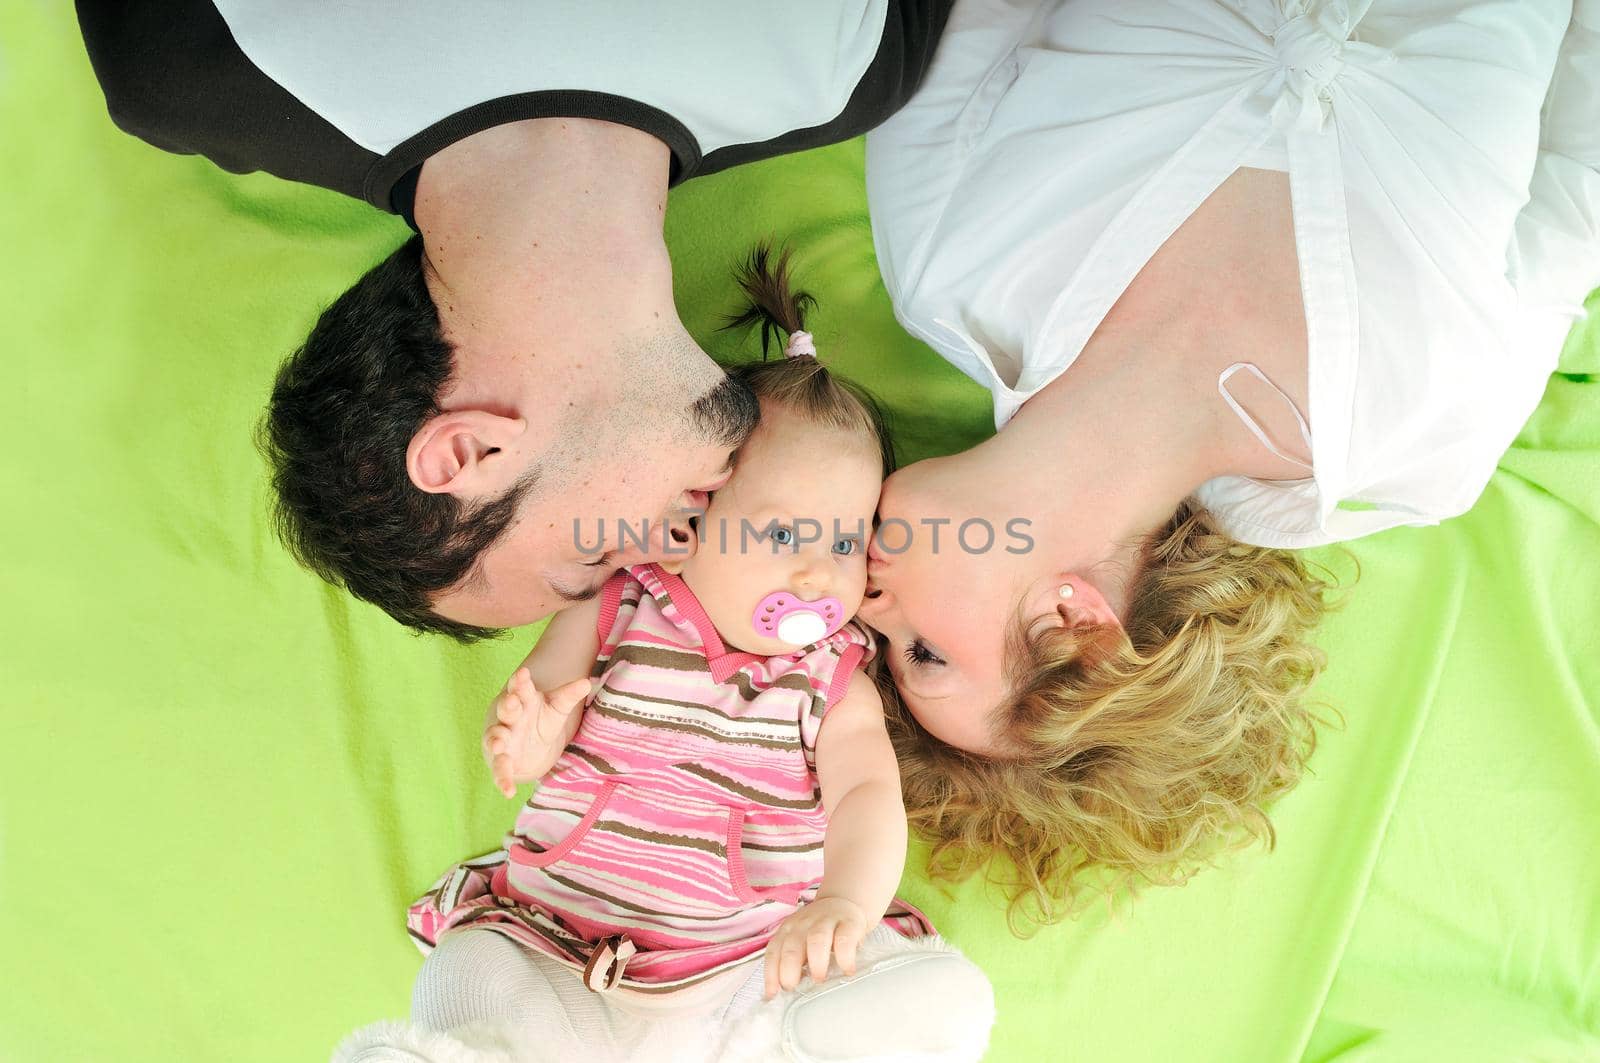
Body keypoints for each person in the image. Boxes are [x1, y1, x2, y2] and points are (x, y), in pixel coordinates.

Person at [858, 0, 1600, 920]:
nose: (861, 602)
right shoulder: (1414, 445)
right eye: (921, 652)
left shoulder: (939, 260)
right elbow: (1582, 177)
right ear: (1075, 624)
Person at [74, 0, 954, 638]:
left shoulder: (196, 52)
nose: (666, 552)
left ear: (466, 453)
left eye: (592, 562)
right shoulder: (860, 65)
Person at [336, 256, 994, 1062]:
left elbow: (866, 795)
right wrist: (531, 738)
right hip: (557, 941)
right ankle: (478, 1049)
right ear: (688, 522)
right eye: (782, 534)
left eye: (847, 539)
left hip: (738, 968)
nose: (820, 571)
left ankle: (808, 1039)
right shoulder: (613, 603)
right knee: (472, 964)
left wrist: (846, 904)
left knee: (887, 991)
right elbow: (545, 696)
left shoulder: (831, 679)